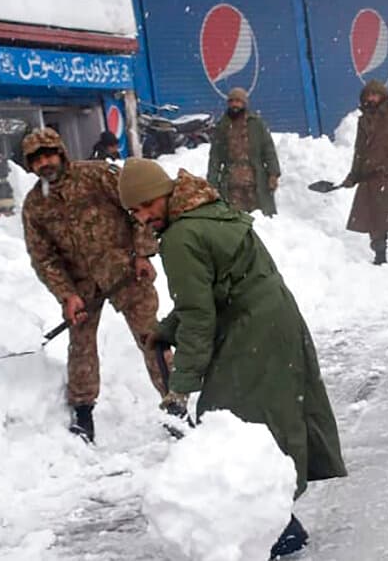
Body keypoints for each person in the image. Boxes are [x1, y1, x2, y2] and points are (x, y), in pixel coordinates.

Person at [118, 159, 347, 559]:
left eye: (145, 206)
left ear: (163, 194)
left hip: (251, 329)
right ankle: (279, 525)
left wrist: (181, 387)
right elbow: (206, 293)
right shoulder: (208, 210)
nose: (143, 218)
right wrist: (166, 331)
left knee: (230, 426)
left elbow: (199, 316)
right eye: (135, 213)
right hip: (276, 318)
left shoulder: (180, 237)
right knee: (265, 417)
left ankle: (274, 527)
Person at [20, 127, 167, 443]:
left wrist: (143, 253)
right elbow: (43, 256)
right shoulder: (35, 205)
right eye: (37, 159)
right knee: (81, 345)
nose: (45, 162)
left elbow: (137, 208)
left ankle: (175, 402)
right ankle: (83, 413)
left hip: (125, 271)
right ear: (29, 165)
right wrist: (67, 295)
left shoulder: (97, 175)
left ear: (61, 152)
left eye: (49, 154)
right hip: (81, 284)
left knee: (151, 337)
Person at [341, 80, 388, 269]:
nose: (371, 99)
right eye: (368, 95)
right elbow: (359, 150)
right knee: (374, 218)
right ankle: (379, 255)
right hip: (369, 176)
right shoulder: (363, 120)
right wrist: (354, 175)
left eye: (375, 95)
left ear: (383, 96)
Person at [207, 87, 281, 216]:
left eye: (238, 101)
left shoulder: (256, 124)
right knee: (235, 220)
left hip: (256, 182)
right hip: (231, 185)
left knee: (262, 221)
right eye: (231, 101)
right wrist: (212, 183)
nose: (235, 104)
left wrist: (273, 174)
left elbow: (268, 149)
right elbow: (215, 157)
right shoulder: (222, 126)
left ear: (244, 103)